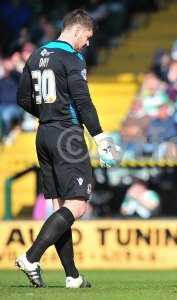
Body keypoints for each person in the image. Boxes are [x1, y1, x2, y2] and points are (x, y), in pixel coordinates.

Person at [16, 9, 120, 288]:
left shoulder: (36, 54)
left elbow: (22, 98)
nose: (87, 43)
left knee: (60, 208)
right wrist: (100, 138)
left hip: (44, 133)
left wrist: (47, 112)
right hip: (67, 136)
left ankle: (72, 276)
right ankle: (31, 256)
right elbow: (83, 101)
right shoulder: (72, 57)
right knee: (77, 205)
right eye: (87, 37)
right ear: (77, 31)